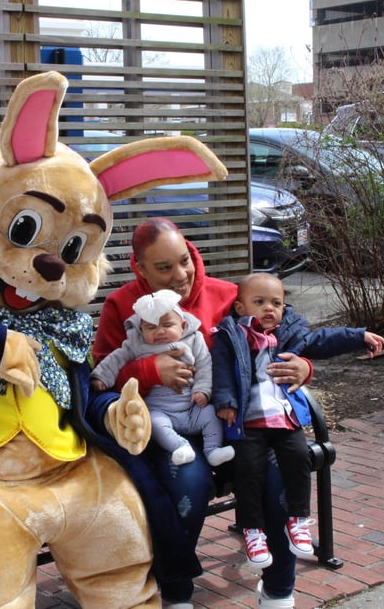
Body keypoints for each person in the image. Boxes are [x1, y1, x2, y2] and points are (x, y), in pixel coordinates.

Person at [89, 218, 313, 609]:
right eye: (164, 267)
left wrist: (304, 367)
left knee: (279, 473)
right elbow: (100, 382)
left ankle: (279, 590)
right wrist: (148, 370)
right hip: (165, 428)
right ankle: (175, 592)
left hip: (235, 425)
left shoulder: (230, 296)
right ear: (139, 268)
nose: (180, 275)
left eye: (185, 260)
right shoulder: (121, 306)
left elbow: (287, 332)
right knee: (189, 483)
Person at [211, 272, 384, 570]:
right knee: (248, 470)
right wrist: (226, 401)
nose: (269, 308)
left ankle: (298, 520)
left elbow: (323, 340)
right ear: (241, 308)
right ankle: (253, 531)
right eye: (259, 302)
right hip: (248, 421)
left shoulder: (289, 333)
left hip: (284, 418)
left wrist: (359, 336)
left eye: (276, 303)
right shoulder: (230, 335)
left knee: (299, 458)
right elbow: (222, 370)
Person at [90, 289, 235, 467]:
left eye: (167, 325)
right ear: (141, 329)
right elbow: (115, 359)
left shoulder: (194, 339)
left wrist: (202, 390)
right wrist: (102, 377)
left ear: (182, 325)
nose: (159, 332)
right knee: (153, 423)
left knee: (210, 413)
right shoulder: (136, 344)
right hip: (159, 410)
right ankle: (180, 447)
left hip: (191, 406)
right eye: (151, 327)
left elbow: (205, 364)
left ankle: (212, 449)